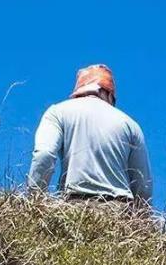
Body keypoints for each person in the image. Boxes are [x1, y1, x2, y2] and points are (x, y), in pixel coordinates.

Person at [27, 65, 153, 204]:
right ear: (109, 94)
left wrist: (34, 202)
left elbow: (44, 154)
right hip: (120, 211)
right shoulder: (130, 125)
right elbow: (143, 185)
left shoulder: (58, 112)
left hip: (74, 206)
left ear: (78, 91)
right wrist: (140, 221)